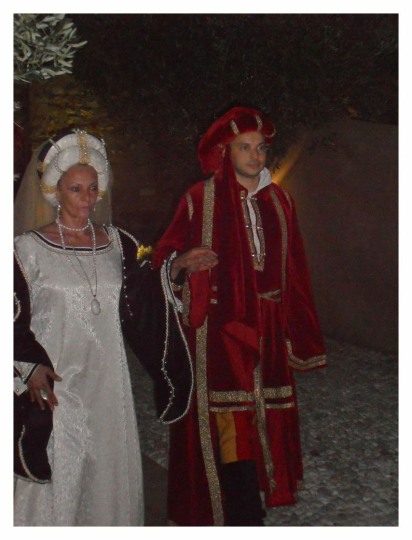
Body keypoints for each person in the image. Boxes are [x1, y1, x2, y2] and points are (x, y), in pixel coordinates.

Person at [13, 128, 214, 526]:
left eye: (93, 188)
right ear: (55, 190)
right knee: (59, 455)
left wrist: (176, 267)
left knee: (104, 460)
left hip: (106, 382)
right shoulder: (26, 250)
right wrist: (27, 366)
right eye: (76, 189)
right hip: (56, 376)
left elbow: (142, 300)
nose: (87, 198)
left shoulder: (119, 245)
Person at [152, 106, 327, 526]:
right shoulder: (200, 198)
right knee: (231, 417)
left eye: (260, 147)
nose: (254, 155)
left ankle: (260, 493)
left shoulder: (280, 200)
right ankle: (242, 509)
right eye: (244, 147)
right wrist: (181, 262)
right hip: (221, 328)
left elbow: (295, 268)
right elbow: (164, 256)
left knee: (267, 411)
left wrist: (298, 330)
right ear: (226, 152)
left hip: (269, 322)